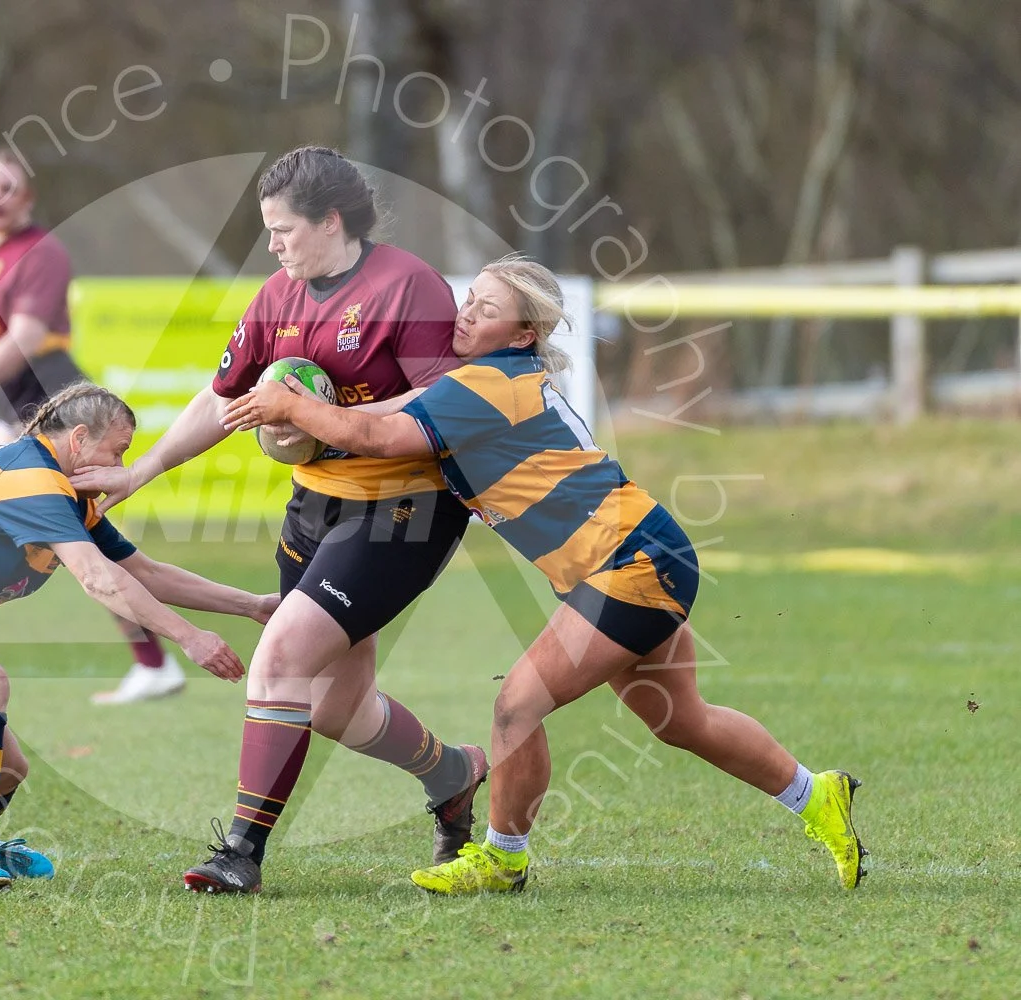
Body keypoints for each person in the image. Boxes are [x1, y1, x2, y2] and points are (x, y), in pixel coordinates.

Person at [222, 254, 869, 894]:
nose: (467, 313)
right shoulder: (484, 382)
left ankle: (502, 858)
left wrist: (290, 405)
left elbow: (381, 438)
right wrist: (308, 414)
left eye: (488, 308)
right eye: (470, 298)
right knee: (680, 720)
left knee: (517, 705)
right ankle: (816, 795)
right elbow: (383, 419)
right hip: (643, 555)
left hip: (629, 565)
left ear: (523, 334)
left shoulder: (487, 385)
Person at [71, 146, 488, 895]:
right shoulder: (277, 295)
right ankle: (453, 775)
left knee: (280, 660)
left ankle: (241, 851)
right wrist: (139, 471)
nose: (272, 246)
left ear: (331, 221)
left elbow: (444, 403)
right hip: (314, 506)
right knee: (334, 708)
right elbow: (221, 398)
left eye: (283, 229)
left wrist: (314, 412)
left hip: (402, 508)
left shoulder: (408, 285)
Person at [0, 382, 278, 892]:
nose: (120, 466)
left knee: (9, 769)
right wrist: (189, 637)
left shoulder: (62, 493)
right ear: (79, 439)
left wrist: (252, 605)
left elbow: (147, 573)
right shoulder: (31, 479)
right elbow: (98, 579)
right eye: (118, 451)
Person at [0, 147, 182, 706]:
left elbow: (28, 340)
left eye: (8, 187)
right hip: (17, 412)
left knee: (78, 543)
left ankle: (154, 663)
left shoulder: (40, 252)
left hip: (53, 412)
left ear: (28, 197)